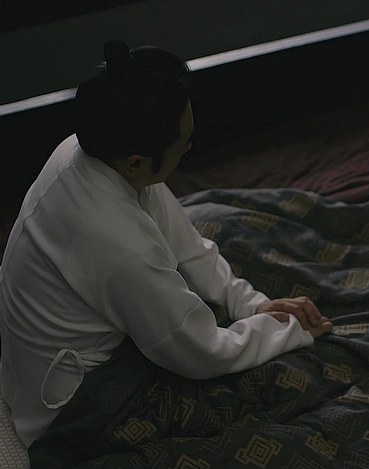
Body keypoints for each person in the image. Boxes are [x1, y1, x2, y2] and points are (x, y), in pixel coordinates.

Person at [0, 40, 333, 448]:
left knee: (226, 230)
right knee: (274, 393)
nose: (189, 149)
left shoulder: (89, 150)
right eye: (182, 146)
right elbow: (201, 353)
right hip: (71, 404)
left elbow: (185, 244)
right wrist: (285, 330)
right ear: (137, 162)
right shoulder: (121, 247)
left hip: (47, 350)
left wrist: (252, 304)